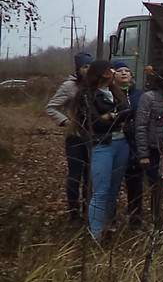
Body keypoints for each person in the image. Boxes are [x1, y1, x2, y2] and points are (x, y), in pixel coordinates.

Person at [76, 60, 132, 239]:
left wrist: (110, 117)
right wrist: (110, 118)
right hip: (102, 144)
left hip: (121, 143)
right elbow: (95, 123)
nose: (111, 76)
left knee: (114, 190)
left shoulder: (116, 92)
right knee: (100, 191)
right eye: (108, 73)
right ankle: (95, 233)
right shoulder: (86, 95)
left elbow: (126, 113)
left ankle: (108, 226)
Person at [46, 51, 93, 223]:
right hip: (75, 137)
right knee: (75, 175)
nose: (87, 70)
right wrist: (66, 121)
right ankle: (74, 213)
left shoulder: (96, 85)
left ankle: (88, 211)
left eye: (90, 66)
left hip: (93, 137)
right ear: (78, 69)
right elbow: (51, 107)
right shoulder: (69, 86)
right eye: (84, 67)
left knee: (90, 176)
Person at [135, 67, 163, 228]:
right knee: (156, 190)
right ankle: (157, 224)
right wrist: (143, 154)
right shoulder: (148, 98)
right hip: (154, 151)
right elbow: (141, 126)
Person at [112, 61, 145, 230]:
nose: (124, 73)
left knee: (135, 187)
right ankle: (110, 222)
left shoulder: (139, 95)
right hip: (114, 143)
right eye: (119, 70)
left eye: (127, 71)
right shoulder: (107, 94)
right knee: (112, 186)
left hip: (135, 145)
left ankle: (136, 222)